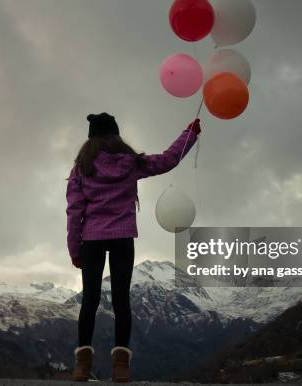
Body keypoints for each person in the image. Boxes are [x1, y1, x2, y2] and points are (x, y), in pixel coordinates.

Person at [66, 112, 201, 382]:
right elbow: (168, 160)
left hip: (91, 239)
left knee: (90, 301)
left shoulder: (81, 168)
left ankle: (82, 366)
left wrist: (75, 249)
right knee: (121, 300)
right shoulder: (131, 163)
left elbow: (74, 211)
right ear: (116, 136)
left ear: (90, 138)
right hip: (123, 238)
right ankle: (121, 368)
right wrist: (190, 133)